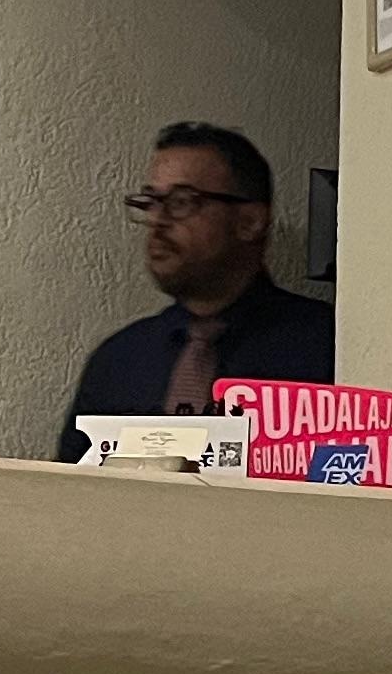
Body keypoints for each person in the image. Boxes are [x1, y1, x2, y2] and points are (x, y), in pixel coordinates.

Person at [54, 121, 333, 456]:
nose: (158, 220)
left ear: (250, 221)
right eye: (151, 202)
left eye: (182, 201)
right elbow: (69, 485)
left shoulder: (325, 349)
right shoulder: (118, 361)